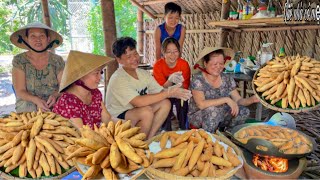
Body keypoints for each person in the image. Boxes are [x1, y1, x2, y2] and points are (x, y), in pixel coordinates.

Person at [106, 37, 192, 139]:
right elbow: (139, 102)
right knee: (146, 112)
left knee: (165, 103)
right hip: (118, 117)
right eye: (129, 56)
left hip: (135, 111)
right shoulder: (118, 78)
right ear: (119, 60)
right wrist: (169, 92)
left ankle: (148, 139)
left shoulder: (143, 74)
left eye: (135, 54)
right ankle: (138, 142)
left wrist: (176, 90)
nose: (134, 58)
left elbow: (160, 90)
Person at [188, 47, 260, 133]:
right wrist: (226, 99)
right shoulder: (198, 80)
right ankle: (208, 139)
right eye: (215, 64)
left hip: (221, 115)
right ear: (205, 63)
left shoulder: (227, 78)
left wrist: (251, 99)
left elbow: (238, 100)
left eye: (221, 63)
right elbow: (201, 104)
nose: (218, 67)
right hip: (200, 117)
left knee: (243, 111)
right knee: (212, 110)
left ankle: (229, 135)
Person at [10, 22, 65, 113]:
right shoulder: (19, 60)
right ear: (26, 39)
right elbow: (20, 90)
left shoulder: (57, 60)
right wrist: (36, 100)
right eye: (33, 36)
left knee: (65, 111)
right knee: (29, 111)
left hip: (53, 102)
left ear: (48, 39)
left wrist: (55, 95)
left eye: (42, 36)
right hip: (29, 102)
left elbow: (63, 86)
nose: (38, 40)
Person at [53, 50, 113, 129]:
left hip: (94, 138)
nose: (100, 78)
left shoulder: (95, 93)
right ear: (80, 76)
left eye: (100, 73)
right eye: (96, 73)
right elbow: (82, 134)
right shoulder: (68, 101)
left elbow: (107, 119)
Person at [153, 37, 190, 130]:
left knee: (183, 101)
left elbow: (185, 86)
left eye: (175, 51)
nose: (172, 55)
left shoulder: (184, 64)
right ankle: (166, 130)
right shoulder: (158, 66)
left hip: (179, 91)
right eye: (169, 51)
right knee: (165, 102)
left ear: (179, 51)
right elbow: (160, 88)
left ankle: (183, 128)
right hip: (164, 93)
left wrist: (179, 84)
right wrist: (170, 80)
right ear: (163, 52)